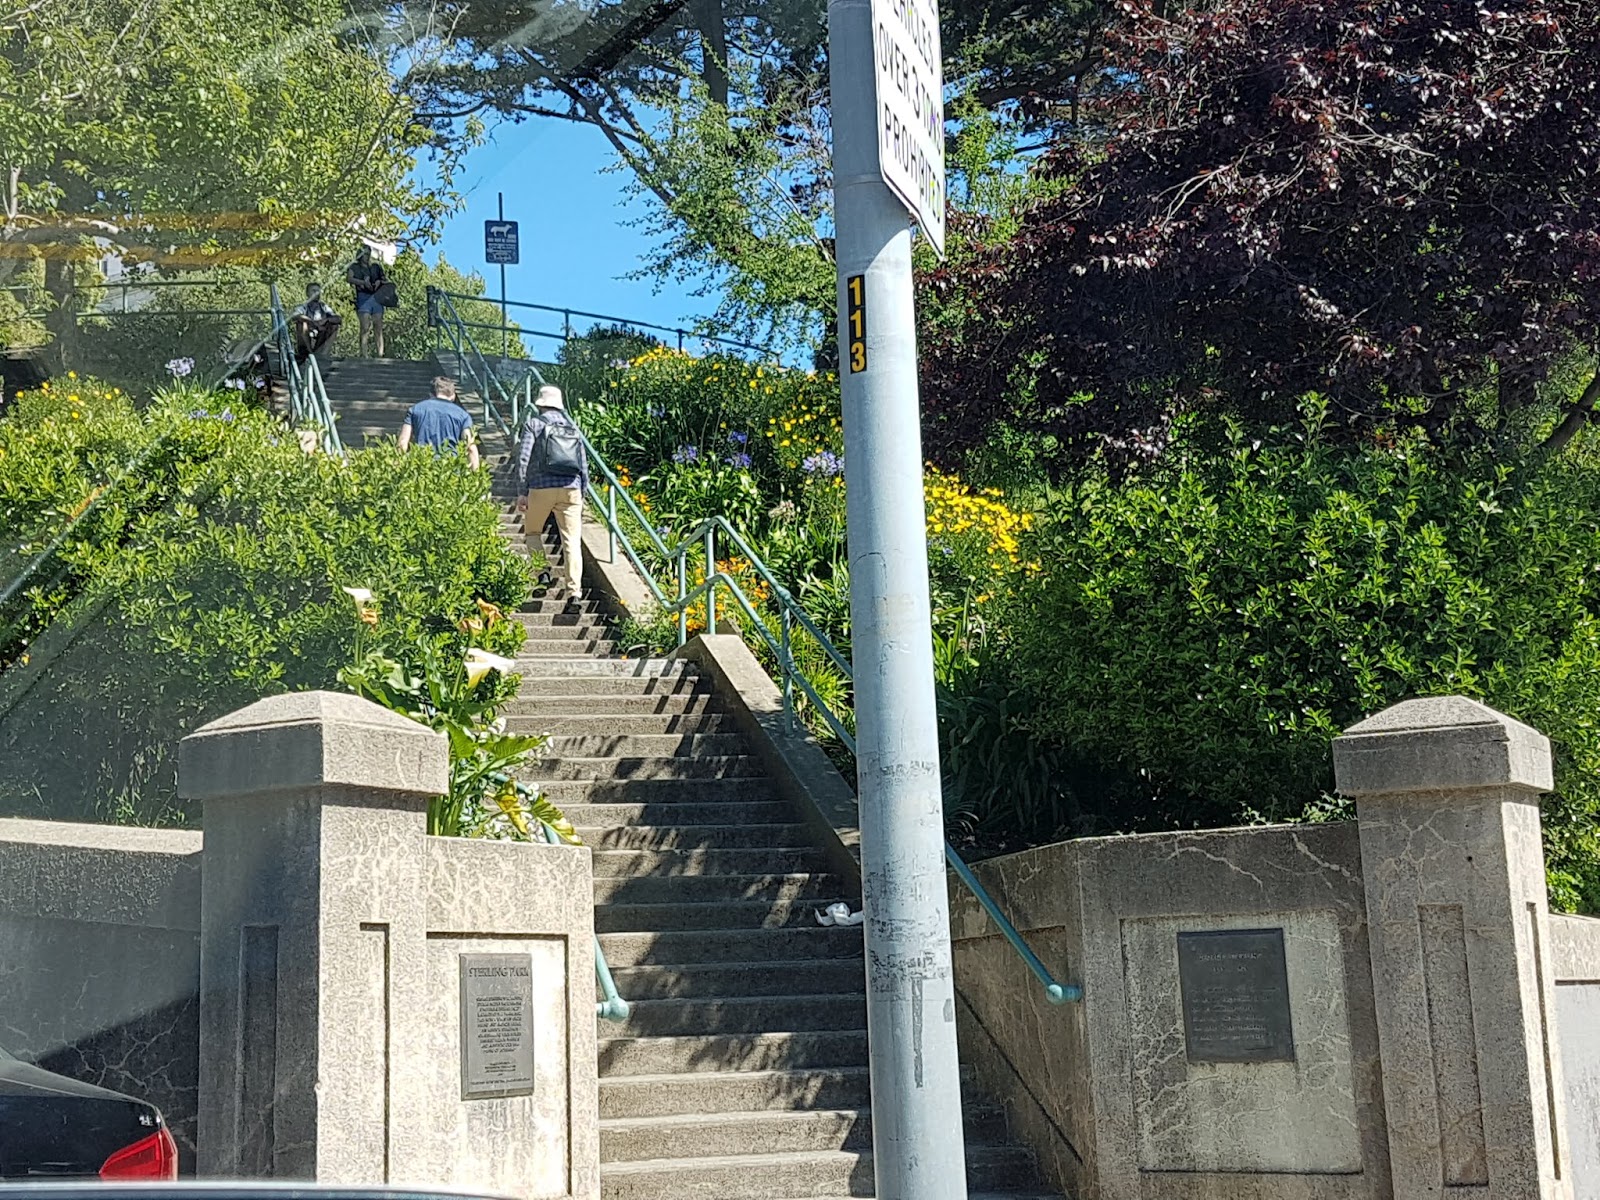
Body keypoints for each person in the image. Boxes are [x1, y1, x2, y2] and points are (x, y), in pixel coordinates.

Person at [516, 385, 589, 593]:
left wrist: (522, 490)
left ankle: (542, 572)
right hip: (571, 488)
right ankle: (574, 593)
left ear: (540, 405)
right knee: (572, 541)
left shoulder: (534, 424)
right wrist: (582, 492)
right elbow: (583, 464)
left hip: (540, 487)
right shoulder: (573, 428)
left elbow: (523, 459)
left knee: (532, 533)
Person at [398, 377, 479, 469]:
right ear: (453, 396)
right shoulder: (463, 415)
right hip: (450, 468)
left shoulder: (415, 410)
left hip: (421, 465)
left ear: (430, 394)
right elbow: (470, 447)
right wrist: (474, 474)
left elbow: (402, 443)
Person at [346, 245, 387, 357]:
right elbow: (349, 278)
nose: (367, 256)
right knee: (365, 326)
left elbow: (385, 280)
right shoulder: (355, 266)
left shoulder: (376, 267)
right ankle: (364, 354)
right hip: (363, 296)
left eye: (368, 254)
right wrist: (363, 283)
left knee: (378, 325)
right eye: (364, 254)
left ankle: (380, 354)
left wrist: (379, 281)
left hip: (377, 296)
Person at [290, 282, 341, 365]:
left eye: (318, 291)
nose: (316, 293)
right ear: (307, 293)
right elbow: (295, 316)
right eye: (313, 291)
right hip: (307, 335)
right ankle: (309, 354)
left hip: (321, 333)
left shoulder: (323, 307)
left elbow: (338, 318)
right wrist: (312, 323)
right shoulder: (303, 306)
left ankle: (323, 355)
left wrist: (325, 321)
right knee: (302, 324)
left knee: (334, 325)